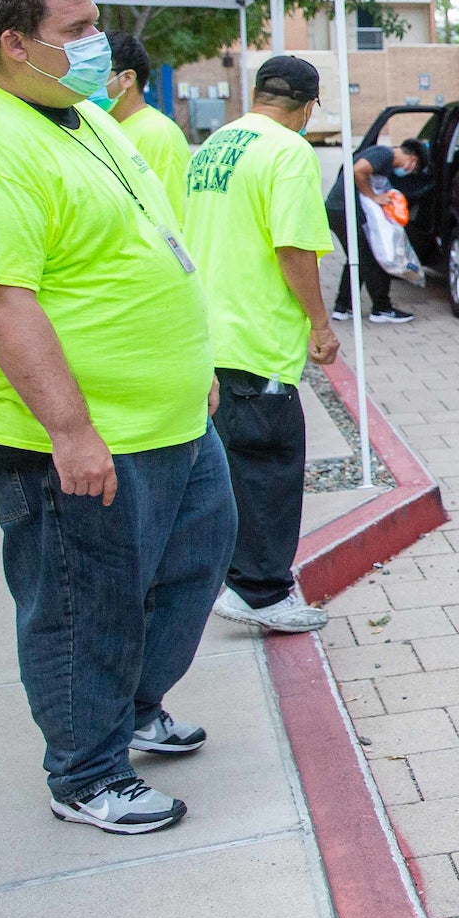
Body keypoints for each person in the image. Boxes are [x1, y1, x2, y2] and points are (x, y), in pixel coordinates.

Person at [0, 0, 232, 836]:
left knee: (195, 559)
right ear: (15, 43)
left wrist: (191, 361)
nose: (99, 45)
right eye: (78, 30)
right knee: (79, 602)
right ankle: (87, 771)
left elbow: (147, 241)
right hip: (75, 437)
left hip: (164, 415)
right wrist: (72, 429)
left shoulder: (75, 115)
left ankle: (128, 709)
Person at [186, 55, 342, 635]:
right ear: (306, 106)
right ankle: (261, 593)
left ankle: (235, 577)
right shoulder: (289, 151)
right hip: (256, 337)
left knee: (230, 471)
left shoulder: (210, 148)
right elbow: (294, 249)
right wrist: (320, 326)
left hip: (208, 335)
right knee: (271, 470)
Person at [93, 31, 192, 224]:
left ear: (127, 78)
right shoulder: (101, 127)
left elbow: (172, 218)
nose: (88, 82)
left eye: (97, 73)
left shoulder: (159, 134)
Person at [325, 134, 426, 324]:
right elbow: (358, 171)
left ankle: (343, 306)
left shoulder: (384, 161)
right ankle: (381, 308)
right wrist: (374, 197)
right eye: (413, 167)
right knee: (371, 258)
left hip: (339, 210)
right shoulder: (384, 154)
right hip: (345, 210)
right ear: (412, 159)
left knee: (358, 258)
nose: (409, 171)